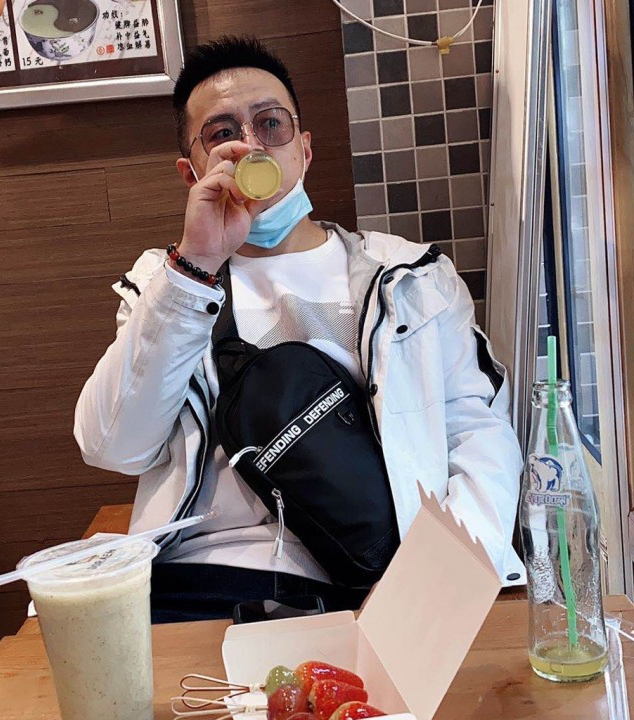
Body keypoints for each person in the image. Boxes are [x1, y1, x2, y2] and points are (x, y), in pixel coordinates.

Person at [74, 36, 525, 622]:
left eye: (271, 124)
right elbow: (113, 447)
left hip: (383, 579)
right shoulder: (166, 285)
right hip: (206, 584)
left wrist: (433, 586)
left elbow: (479, 437)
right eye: (221, 134)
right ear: (192, 172)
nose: (251, 145)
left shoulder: (412, 278)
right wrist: (196, 266)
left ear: (304, 149)